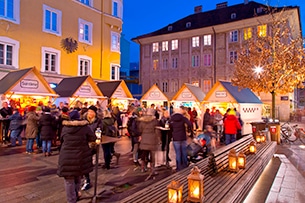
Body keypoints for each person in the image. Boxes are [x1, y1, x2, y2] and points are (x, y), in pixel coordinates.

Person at [58, 109, 96, 203]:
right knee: (78, 175)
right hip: (80, 155)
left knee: (69, 180)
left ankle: (71, 200)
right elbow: (93, 138)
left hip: (66, 156)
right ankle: (77, 193)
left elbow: (61, 140)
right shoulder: (85, 127)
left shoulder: (65, 127)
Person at [81, 105, 103, 191]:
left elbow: (99, 131)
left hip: (92, 144)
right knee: (84, 162)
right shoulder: (83, 120)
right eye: (89, 111)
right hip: (83, 143)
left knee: (87, 162)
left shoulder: (98, 121)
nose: (90, 113)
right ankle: (86, 179)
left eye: (92, 112)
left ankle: (87, 180)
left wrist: (97, 138)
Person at [138, 108, 161, 175]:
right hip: (152, 140)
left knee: (144, 154)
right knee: (152, 156)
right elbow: (157, 131)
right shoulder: (155, 121)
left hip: (144, 139)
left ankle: (143, 167)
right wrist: (159, 139)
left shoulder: (142, 121)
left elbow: (140, 130)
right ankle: (152, 169)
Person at [169, 106, 192, 171]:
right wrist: (189, 130)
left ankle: (179, 167)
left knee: (178, 153)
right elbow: (189, 124)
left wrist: (172, 133)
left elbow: (170, 128)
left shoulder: (172, 119)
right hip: (183, 136)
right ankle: (185, 165)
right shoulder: (183, 118)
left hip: (175, 137)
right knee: (184, 151)